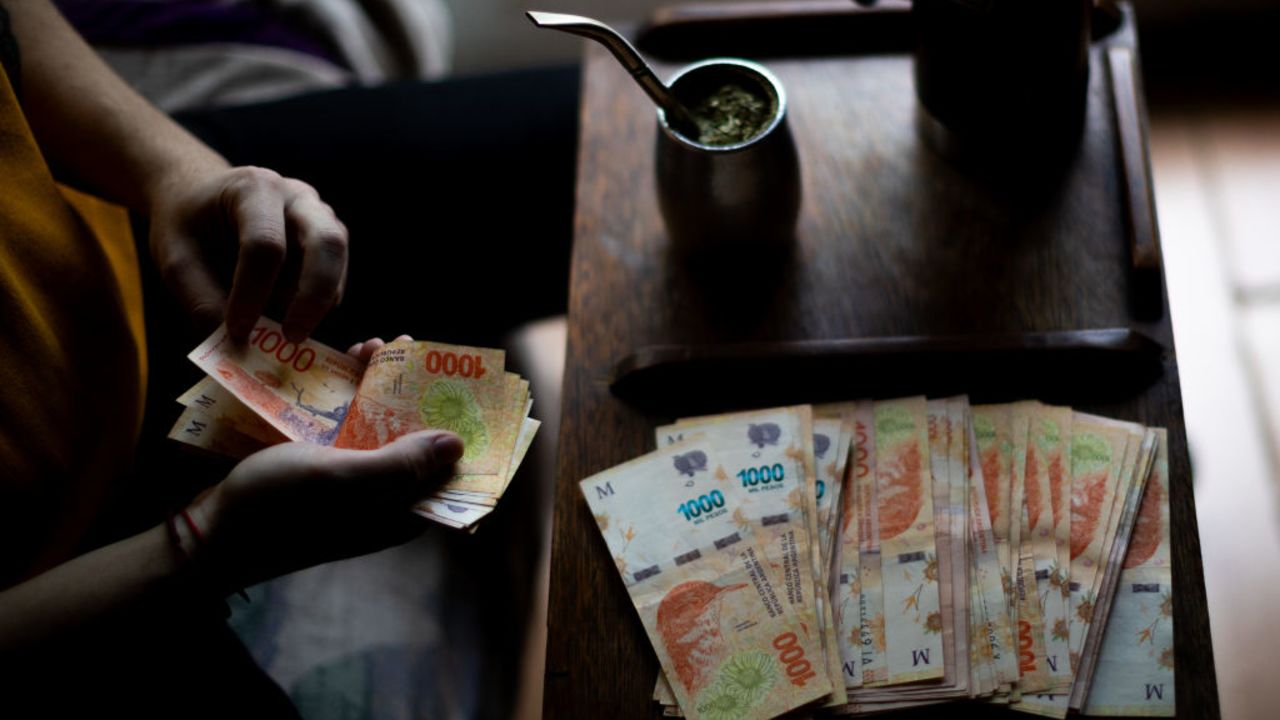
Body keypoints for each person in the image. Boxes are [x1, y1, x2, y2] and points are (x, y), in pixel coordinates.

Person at [0, 1, 578, 715]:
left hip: (125, 238)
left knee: (637, 132)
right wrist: (194, 551)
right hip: (69, 562)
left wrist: (181, 176)